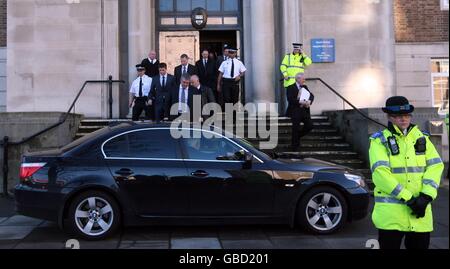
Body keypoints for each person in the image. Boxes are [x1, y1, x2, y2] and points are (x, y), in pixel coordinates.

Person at [369, 96, 444, 249]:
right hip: (391, 217)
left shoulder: (422, 138)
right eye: (398, 116)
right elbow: (381, 174)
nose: (403, 119)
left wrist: (426, 196)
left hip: (419, 214)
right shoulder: (379, 141)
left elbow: (436, 166)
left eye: (406, 115)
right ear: (389, 117)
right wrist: (409, 199)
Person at [286, 73, 314, 152]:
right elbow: (290, 100)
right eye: (303, 79)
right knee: (295, 128)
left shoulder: (305, 87)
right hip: (295, 111)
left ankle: (297, 136)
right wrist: (300, 102)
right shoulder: (290, 87)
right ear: (297, 79)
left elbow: (311, 95)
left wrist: (309, 101)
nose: (304, 80)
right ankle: (294, 147)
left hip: (304, 111)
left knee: (310, 125)